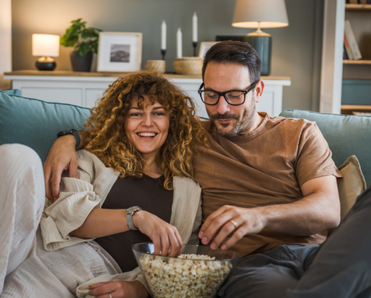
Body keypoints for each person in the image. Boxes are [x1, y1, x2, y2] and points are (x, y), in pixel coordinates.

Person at [44, 41, 371, 298]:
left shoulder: (300, 132)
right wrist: (70, 139)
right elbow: (132, 129)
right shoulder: (191, 137)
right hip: (250, 266)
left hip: (318, 255)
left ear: (258, 90)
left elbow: (329, 210)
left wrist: (258, 216)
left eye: (233, 95)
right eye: (211, 95)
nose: (221, 109)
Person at [0, 72, 206, 298]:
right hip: (30, 244)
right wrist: (138, 217)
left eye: (158, 113)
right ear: (121, 121)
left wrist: (143, 287)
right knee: (20, 157)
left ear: (172, 121)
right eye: (136, 113)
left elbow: (185, 258)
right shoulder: (93, 158)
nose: (148, 123)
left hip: (88, 275)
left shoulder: (189, 191)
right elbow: (73, 221)